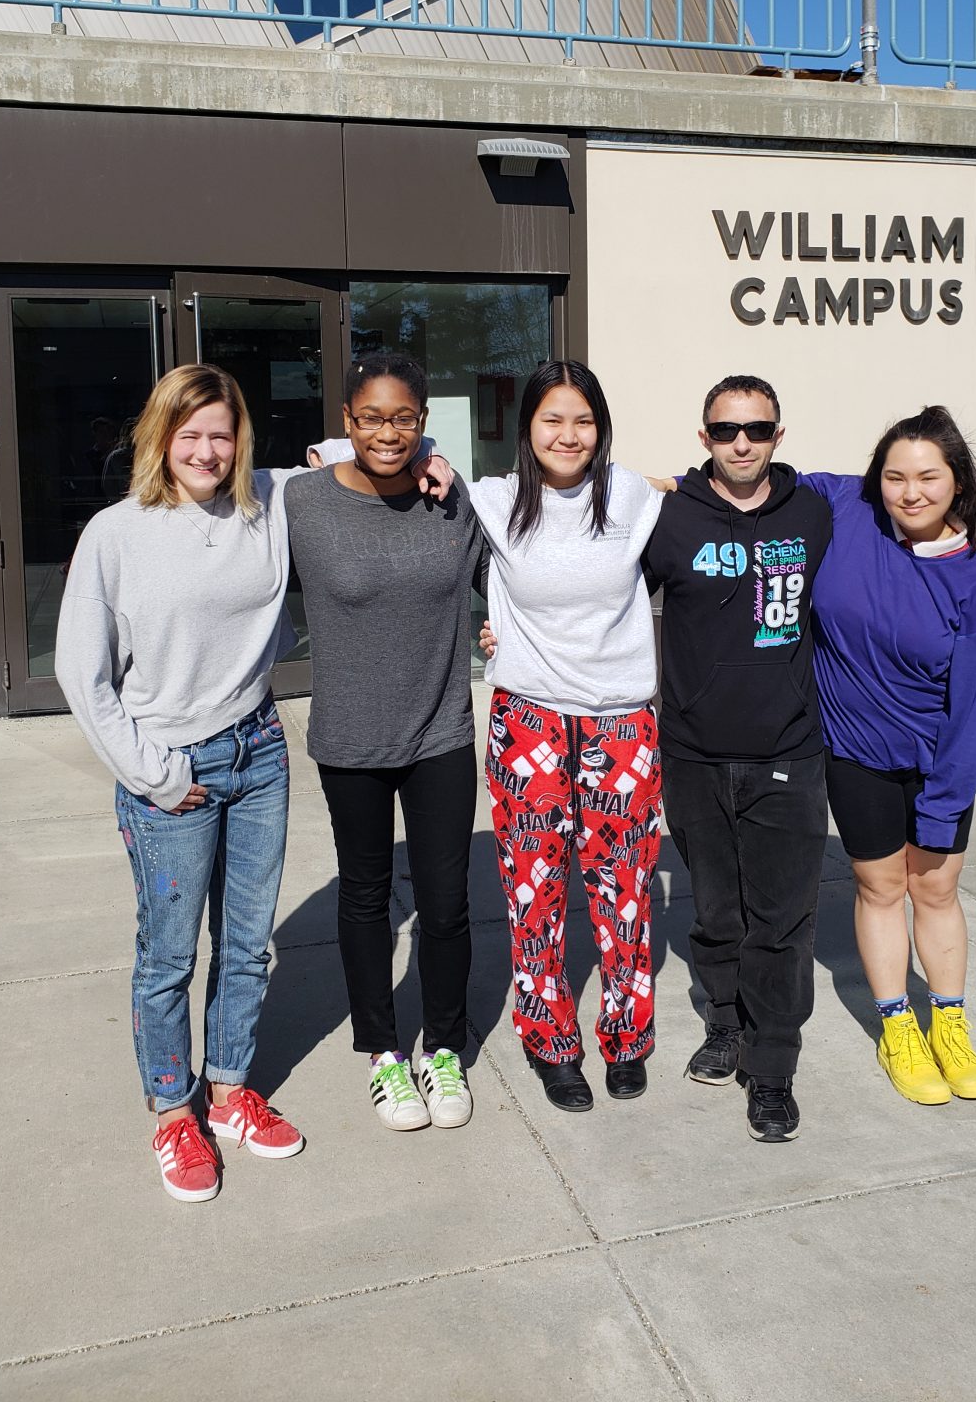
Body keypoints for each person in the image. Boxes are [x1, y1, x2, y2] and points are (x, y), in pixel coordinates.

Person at [56, 363, 446, 1200]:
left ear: (242, 443)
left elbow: (365, 445)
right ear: (160, 436)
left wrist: (433, 453)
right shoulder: (115, 534)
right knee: (167, 957)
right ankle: (173, 1113)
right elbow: (80, 675)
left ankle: (230, 1092)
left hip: (259, 754)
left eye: (221, 433)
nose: (205, 449)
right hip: (169, 766)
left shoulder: (268, 502)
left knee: (244, 946)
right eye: (188, 433)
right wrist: (153, 775)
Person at [292, 354, 485, 1134]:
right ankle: (381, 1054)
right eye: (370, 417)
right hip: (350, 737)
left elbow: (503, 569)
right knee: (365, 898)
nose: (387, 431)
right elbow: (221, 490)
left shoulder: (451, 498)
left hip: (440, 729)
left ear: (423, 420)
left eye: (402, 417)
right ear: (346, 421)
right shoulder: (301, 501)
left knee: (444, 905)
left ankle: (442, 1046)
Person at [470, 360, 664, 1113]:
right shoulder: (493, 500)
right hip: (530, 720)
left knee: (624, 893)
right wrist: (336, 451)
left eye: (582, 420)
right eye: (552, 419)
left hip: (621, 722)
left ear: (600, 428)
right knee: (534, 893)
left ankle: (627, 1036)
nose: (568, 434)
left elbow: (714, 488)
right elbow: (379, 456)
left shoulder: (633, 496)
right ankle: (550, 1040)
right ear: (527, 428)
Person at [643, 375, 833, 1142]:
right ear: (704, 438)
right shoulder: (670, 518)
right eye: (726, 430)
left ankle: (772, 1064)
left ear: (779, 435)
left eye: (756, 429)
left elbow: (901, 484)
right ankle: (724, 1024)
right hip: (692, 751)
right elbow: (598, 595)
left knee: (782, 922)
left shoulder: (815, 512)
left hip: (788, 749)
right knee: (718, 914)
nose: (742, 443)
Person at [803, 406, 976, 1105]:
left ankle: (949, 1024)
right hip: (855, 753)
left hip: (938, 761)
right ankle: (898, 1027)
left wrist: (945, 800)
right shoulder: (847, 505)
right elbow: (739, 484)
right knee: (881, 889)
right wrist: (627, 483)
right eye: (894, 475)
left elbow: (972, 707)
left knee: (935, 889)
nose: (909, 491)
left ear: (957, 483)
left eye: (927, 476)